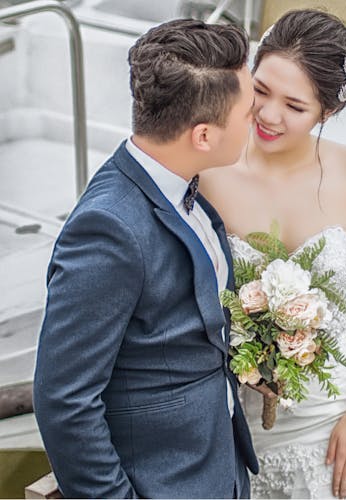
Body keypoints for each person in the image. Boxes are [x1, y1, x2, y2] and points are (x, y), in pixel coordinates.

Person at [33, 19, 259, 498]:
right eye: (247, 111)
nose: (255, 120)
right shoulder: (109, 230)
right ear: (203, 135)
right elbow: (65, 401)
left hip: (218, 468)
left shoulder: (184, 182)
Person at [200, 9, 346, 499]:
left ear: (327, 113)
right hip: (243, 409)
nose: (268, 115)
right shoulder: (211, 171)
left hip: (334, 403)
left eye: (294, 106)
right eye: (261, 90)